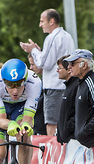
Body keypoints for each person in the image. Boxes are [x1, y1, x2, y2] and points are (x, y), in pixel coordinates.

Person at [20, 8, 75, 136]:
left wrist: (33, 50)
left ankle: (54, 155)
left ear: (51, 21)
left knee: (52, 125)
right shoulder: (68, 36)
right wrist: (39, 51)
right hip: (67, 85)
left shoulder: (51, 38)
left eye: (42, 21)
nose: (40, 25)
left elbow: (43, 63)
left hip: (54, 87)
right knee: (65, 124)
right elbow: (51, 58)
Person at [56, 55, 78, 145]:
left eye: (59, 68)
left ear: (69, 70)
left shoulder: (76, 86)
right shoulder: (68, 86)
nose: (57, 70)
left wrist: (67, 128)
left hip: (74, 140)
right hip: (67, 140)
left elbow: (80, 112)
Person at [27, 54, 47, 136]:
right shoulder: (40, 81)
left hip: (43, 131)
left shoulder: (48, 83)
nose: (31, 68)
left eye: (32, 64)